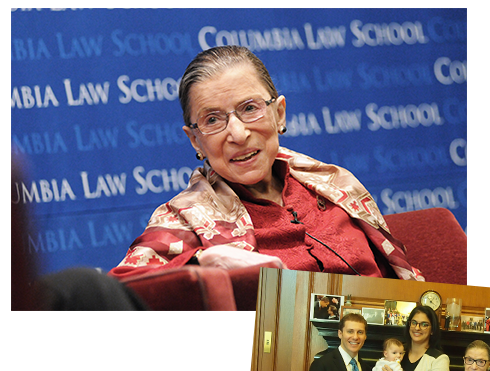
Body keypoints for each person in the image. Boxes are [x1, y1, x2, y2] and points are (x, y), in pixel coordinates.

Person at [108, 45, 423, 281]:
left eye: (249, 108)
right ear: (195, 140)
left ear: (279, 114)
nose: (238, 133)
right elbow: (118, 292)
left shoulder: (335, 184)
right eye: (213, 119)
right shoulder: (184, 219)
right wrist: (202, 262)